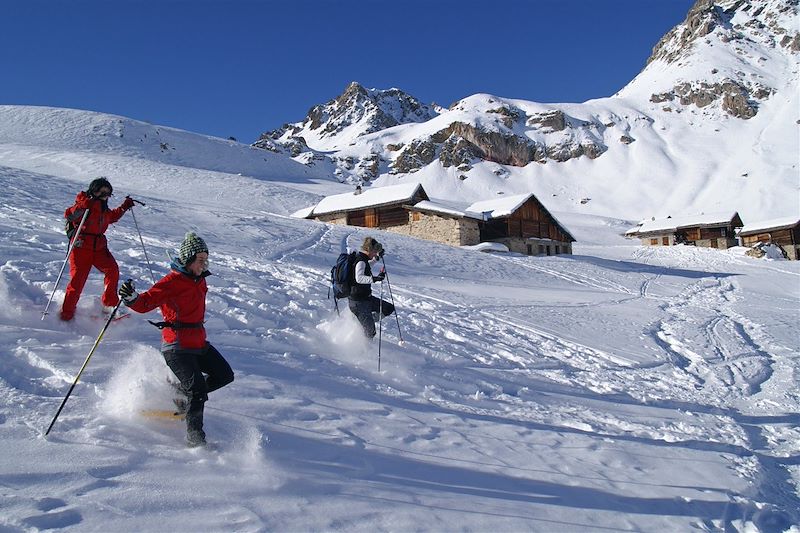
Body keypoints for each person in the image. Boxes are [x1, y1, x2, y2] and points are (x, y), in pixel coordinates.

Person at [118, 232, 234, 447]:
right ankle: (195, 441)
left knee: (224, 375)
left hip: (199, 343)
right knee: (198, 391)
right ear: (189, 259)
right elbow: (145, 303)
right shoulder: (171, 282)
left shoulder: (199, 280)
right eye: (200, 260)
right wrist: (131, 298)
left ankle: (180, 394)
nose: (204, 264)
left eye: (206, 259)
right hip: (177, 347)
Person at [60, 177, 135, 321]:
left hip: (99, 246)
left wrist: (124, 207)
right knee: (77, 281)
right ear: (94, 190)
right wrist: (83, 206)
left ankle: (109, 306)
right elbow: (69, 215)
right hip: (81, 246)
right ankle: (66, 314)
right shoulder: (84, 203)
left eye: (108, 193)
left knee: (112, 270)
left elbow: (111, 217)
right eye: (102, 192)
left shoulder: (103, 208)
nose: (105, 196)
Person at [348, 237, 394, 338]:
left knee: (388, 308)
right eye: (374, 252)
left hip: (366, 299)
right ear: (369, 249)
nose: (375, 253)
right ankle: (363, 350)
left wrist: (376, 259)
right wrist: (375, 279)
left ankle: (365, 321)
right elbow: (359, 278)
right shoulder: (360, 261)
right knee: (370, 332)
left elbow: (367, 266)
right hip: (358, 302)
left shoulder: (363, 259)